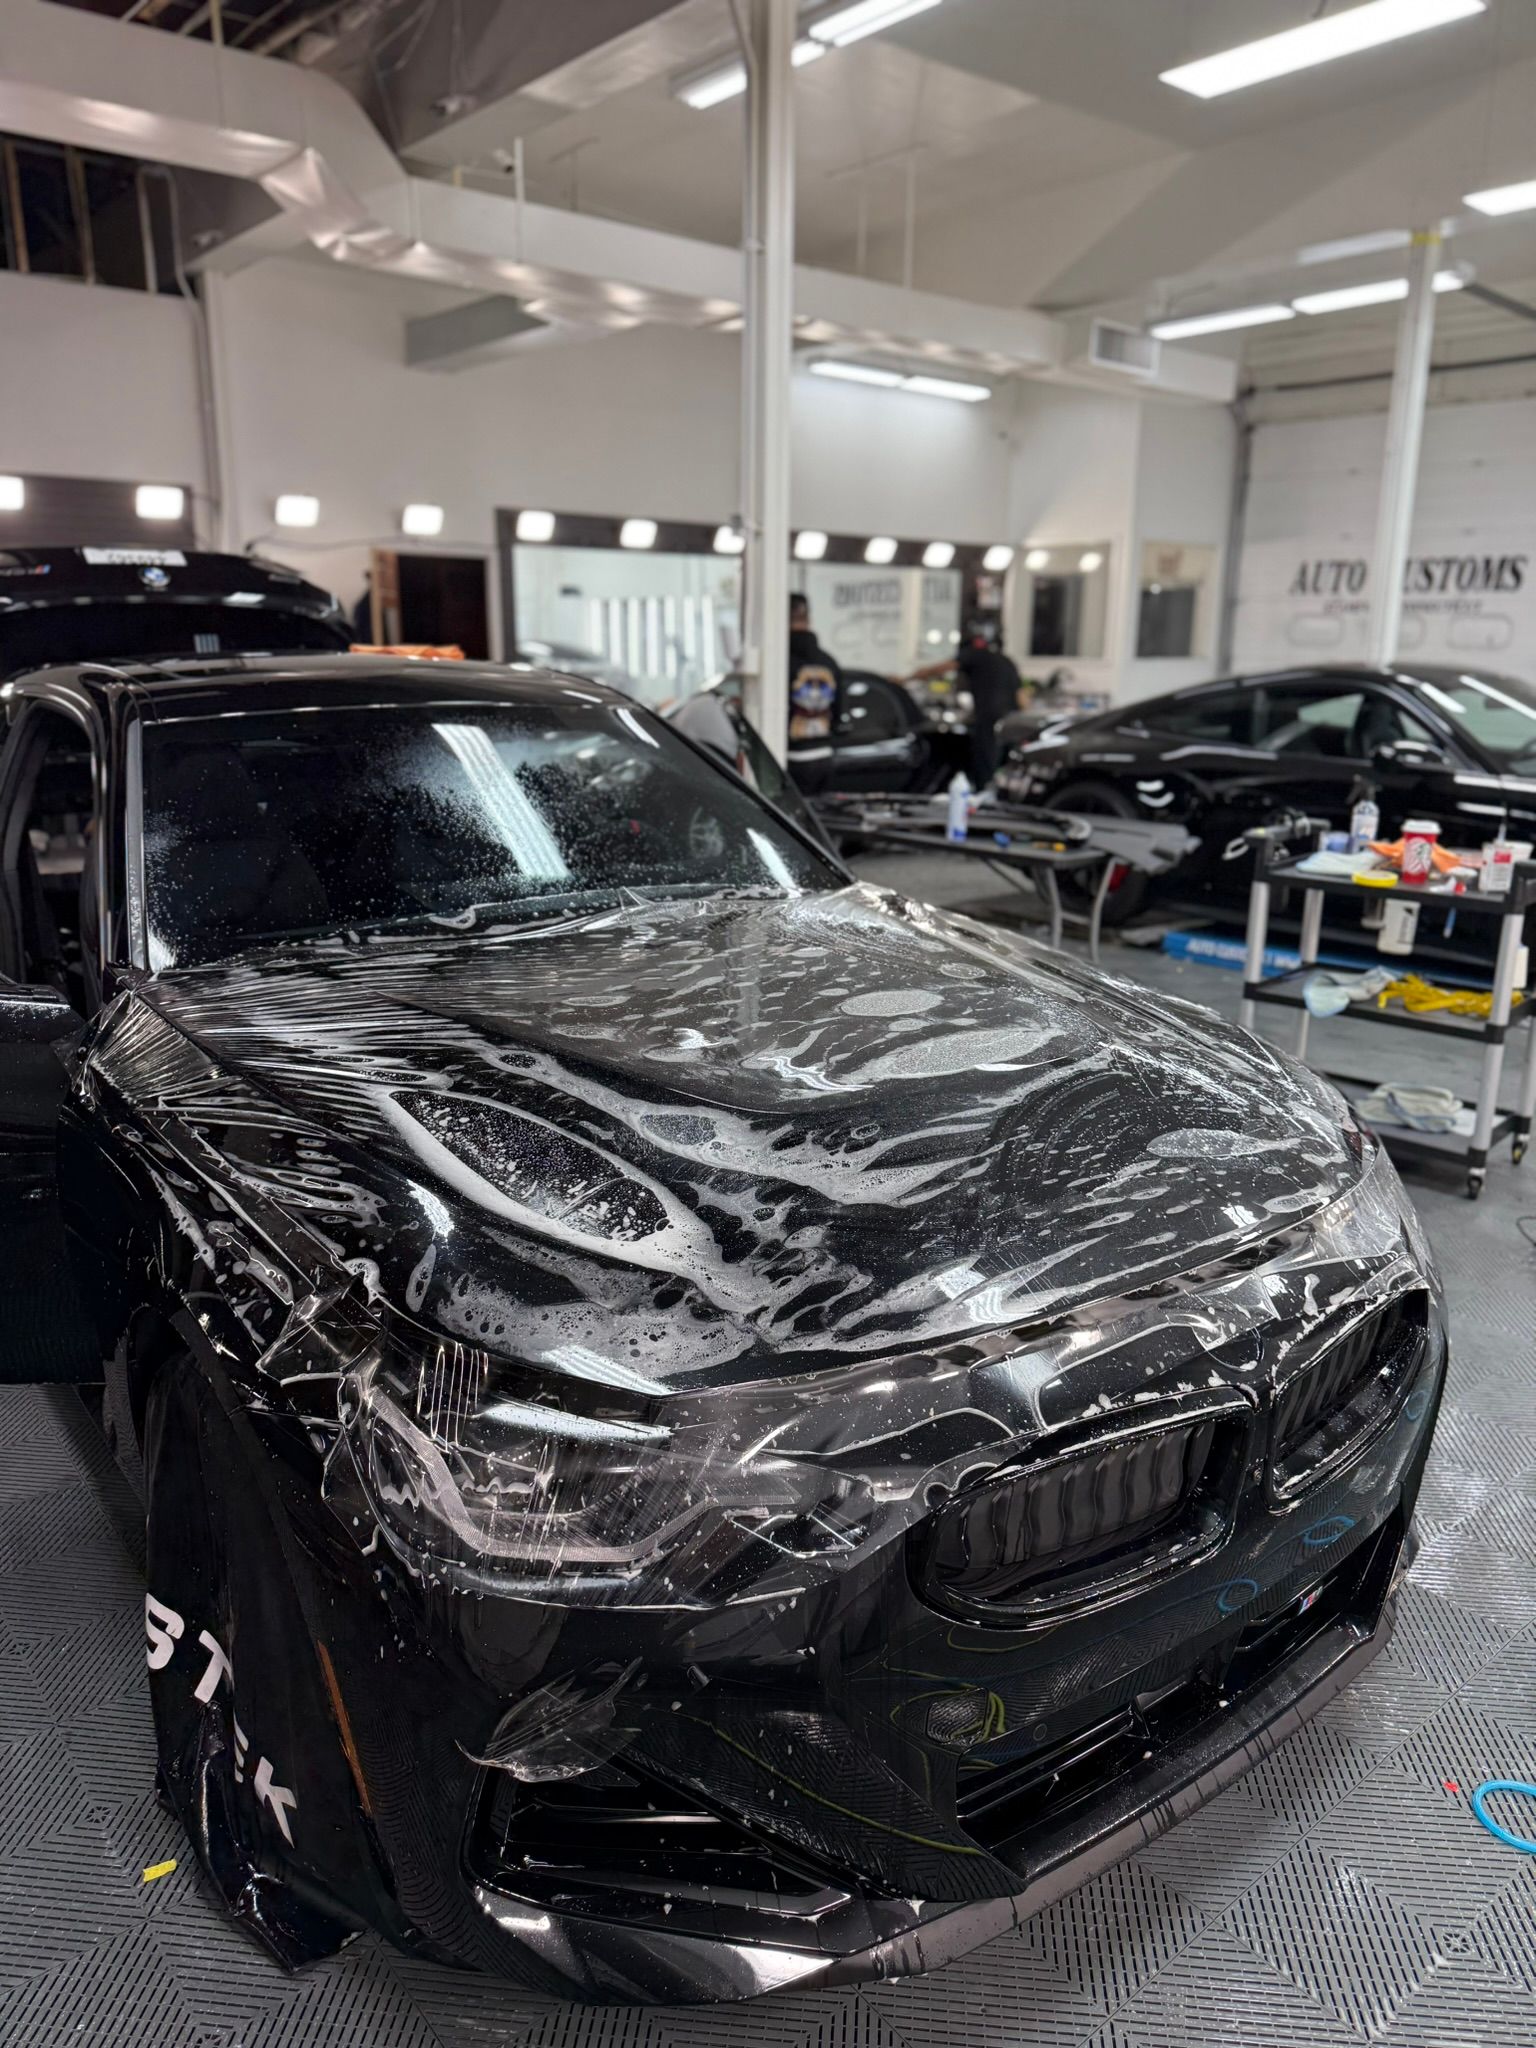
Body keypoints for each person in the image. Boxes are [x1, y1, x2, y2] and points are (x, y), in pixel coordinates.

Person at [907, 618, 1025, 789]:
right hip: (1010, 720)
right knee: (1004, 763)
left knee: (985, 763)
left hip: (989, 718)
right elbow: (1022, 697)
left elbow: (942, 668)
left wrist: (909, 677)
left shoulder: (975, 654)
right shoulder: (1007, 661)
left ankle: (984, 792)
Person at [787, 593, 845, 794]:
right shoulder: (829, 662)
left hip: (791, 755)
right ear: (808, 619)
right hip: (824, 755)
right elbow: (839, 710)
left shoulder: (781, 660)